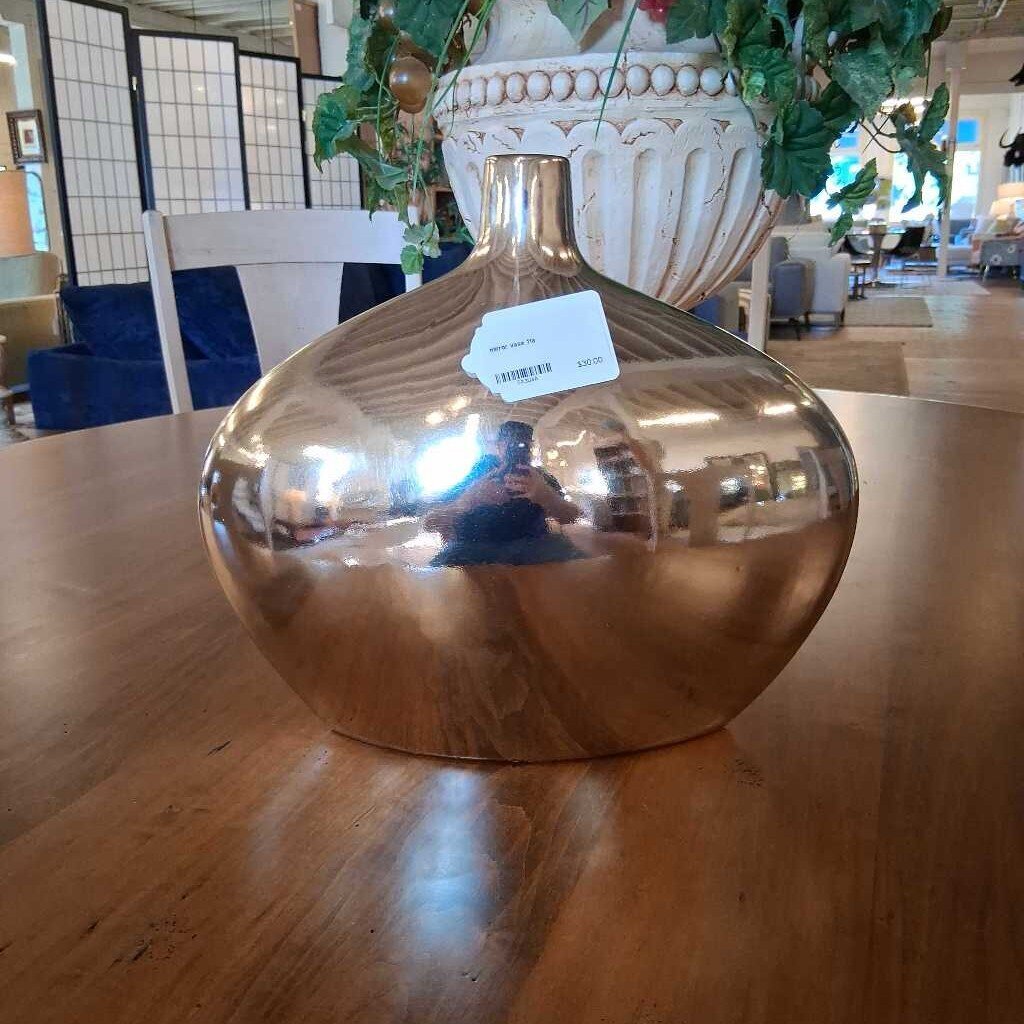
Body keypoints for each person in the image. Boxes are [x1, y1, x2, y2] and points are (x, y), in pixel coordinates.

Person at [425, 420, 583, 566]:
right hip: (473, 549)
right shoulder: (478, 473)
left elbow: (572, 516)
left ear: (531, 447)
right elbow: (430, 522)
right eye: (511, 444)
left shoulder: (538, 477)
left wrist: (546, 497)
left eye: (523, 445)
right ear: (498, 446)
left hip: (535, 547)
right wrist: (469, 499)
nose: (517, 449)